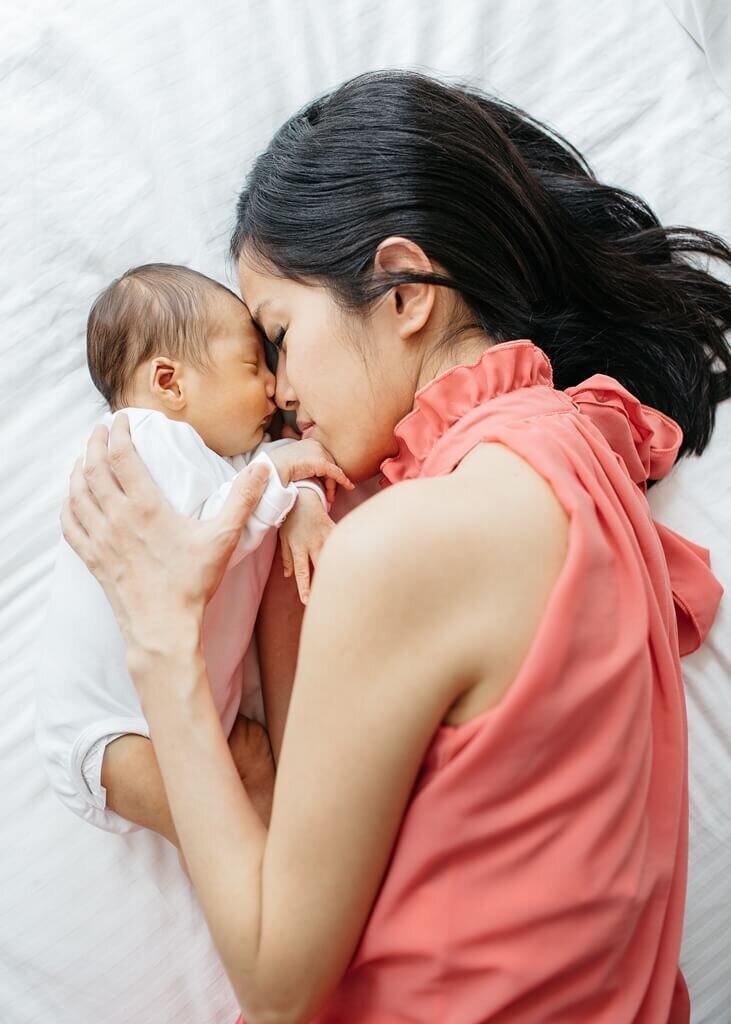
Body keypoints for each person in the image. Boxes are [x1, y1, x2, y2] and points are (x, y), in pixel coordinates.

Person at [61, 71, 730, 1023]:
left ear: (405, 289)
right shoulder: (585, 457)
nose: (277, 392)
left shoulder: (413, 544)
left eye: (281, 336)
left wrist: (161, 636)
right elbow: (324, 820)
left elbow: (278, 979)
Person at [36, 263, 352, 839]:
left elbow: (267, 479)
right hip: (111, 733)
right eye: (252, 366)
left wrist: (300, 494)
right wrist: (285, 475)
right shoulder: (141, 444)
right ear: (170, 384)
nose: (273, 389)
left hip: (199, 716)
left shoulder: (232, 457)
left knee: (256, 769)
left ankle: (285, 892)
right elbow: (209, 533)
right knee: (238, 844)